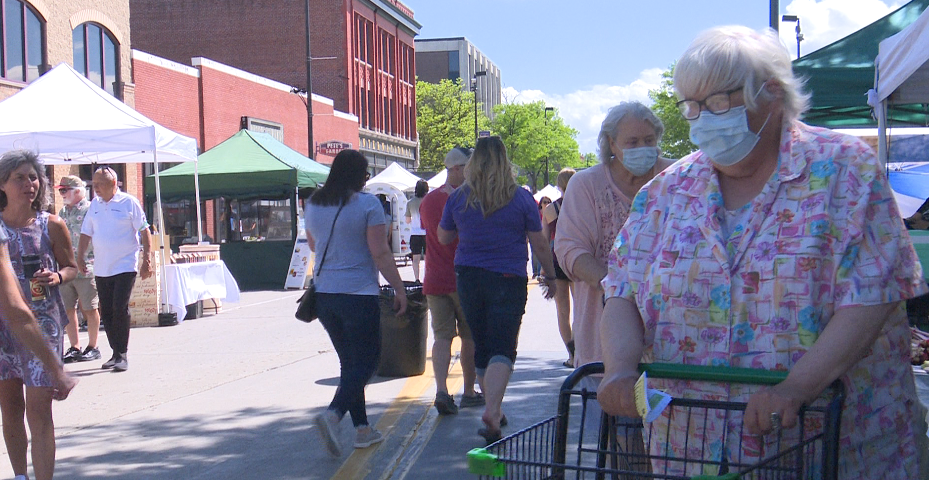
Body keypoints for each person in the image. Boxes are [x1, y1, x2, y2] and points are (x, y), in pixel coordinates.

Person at [597, 26, 929, 479]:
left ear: (771, 94)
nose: (702, 118)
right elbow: (622, 290)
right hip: (692, 445)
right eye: (691, 106)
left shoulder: (844, 169)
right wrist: (618, 369)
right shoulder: (667, 191)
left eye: (718, 102)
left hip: (830, 443)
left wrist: (797, 388)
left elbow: (872, 295)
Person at [438, 136, 557, 444]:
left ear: (473, 162)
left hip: (469, 277)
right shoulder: (520, 198)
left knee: (481, 342)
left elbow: (444, 237)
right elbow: (539, 241)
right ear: (506, 162)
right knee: (503, 347)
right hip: (508, 277)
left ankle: (495, 408)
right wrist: (550, 274)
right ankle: (492, 409)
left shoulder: (459, 198)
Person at [554, 102, 674, 371]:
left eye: (648, 140)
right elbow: (570, 250)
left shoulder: (676, 177)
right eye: (631, 142)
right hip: (601, 341)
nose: (642, 148)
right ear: (611, 143)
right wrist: (618, 288)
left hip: (671, 344)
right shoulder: (587, 185)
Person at [306, 149, 408, 457]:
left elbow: (313, 244)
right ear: (358, 176)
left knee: (350, 363)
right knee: (368, 362)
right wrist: (400, 289)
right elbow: (379, 252)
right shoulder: (368, 205)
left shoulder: (314, 203)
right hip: (358, 293)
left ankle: (363, 429)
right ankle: (334, 414)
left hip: (324, 295)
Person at [0, 150, 80, 480]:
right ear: (2, 183)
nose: (28, 184)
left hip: (42, 324)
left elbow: (74, 267)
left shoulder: (52, 224)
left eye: (33, 177)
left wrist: (58, 276)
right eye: (19, 177)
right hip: (4, 327)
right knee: (10, 408)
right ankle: (20, 475)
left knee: (39, 410)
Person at [419, 147, 483, 415]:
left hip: (434, 277)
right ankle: (468, 391)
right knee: (469, 336)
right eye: (467, 167)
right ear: (455, 169)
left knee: (442, 336)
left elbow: (428, 233)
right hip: (463, 278)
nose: (471, 173)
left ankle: (442, 391)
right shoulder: (468, 199)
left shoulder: (428, 202)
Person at [77, 167, 154, 372]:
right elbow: (86, 233)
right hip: (102, 267)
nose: (96, 189)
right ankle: (114, 352)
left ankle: (122, 354)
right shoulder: (94, 205)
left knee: (120, 307)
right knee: (107, 310)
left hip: (125, 264)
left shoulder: (129, 202)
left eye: (100, 184)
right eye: (93, 185)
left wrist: (147, 260)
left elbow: (144, 231)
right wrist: (80, 256)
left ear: (113, 184)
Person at [55, 176, 102, 363]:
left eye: (64, 190)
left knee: (90, 307)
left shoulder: (91, 209)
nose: (62, 194)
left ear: (77, 191)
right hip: (66, 269)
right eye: (60, 191)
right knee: (68, 309)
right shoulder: (62, 212)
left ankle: (93, 346)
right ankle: (74, 346)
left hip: (87, 267)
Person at [542, 169, 576, 367]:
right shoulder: (583, 206)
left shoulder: (550, 209)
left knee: (563, 311)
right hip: (579, 259)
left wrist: (545, 270)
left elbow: (545, 241)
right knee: (581, 308)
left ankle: (571, 355)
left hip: (558, 260)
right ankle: (581, 353)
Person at [405, 179, 429, 283]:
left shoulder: (410, 203)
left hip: (415, 234)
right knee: (428, 258)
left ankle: (417, 279)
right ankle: (427, 278)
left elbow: (407, 220)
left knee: (415, 259)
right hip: (427, 233)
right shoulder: (429, 201)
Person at [531, 197, 551, 279]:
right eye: (544, 202)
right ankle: (537, 272)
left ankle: (543, 272)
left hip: (549, 237)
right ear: (541, 204)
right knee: (537, 254)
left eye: (548, 202)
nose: (546, 204)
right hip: (537, 236)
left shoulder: (551, 211)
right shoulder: (537, 213)